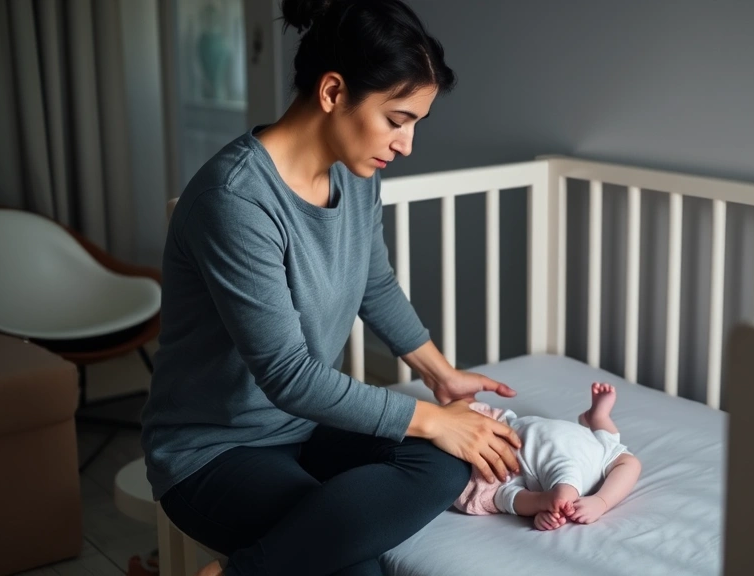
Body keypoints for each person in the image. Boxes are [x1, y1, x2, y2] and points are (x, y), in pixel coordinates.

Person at [139, 1, 523, 575]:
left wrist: (440, 376)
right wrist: (433, 418)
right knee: (356, 566)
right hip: (214, 451)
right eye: (396, 120)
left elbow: (372, 282)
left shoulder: (354, 174)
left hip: (304, 427)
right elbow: (288, 376)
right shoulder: (235, 200)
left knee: (444, 464)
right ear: (333, 92)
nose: (406, 144)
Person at [454, 383, 643, 530]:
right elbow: (630, 463)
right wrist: (602, 501)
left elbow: (506, 497)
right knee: (620, 450)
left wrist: (542, 505)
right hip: (583, 441)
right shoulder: (602, 455)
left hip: (507, 435)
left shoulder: (541, 483)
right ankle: (598, 418)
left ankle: (596, 417)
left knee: (626, 458)